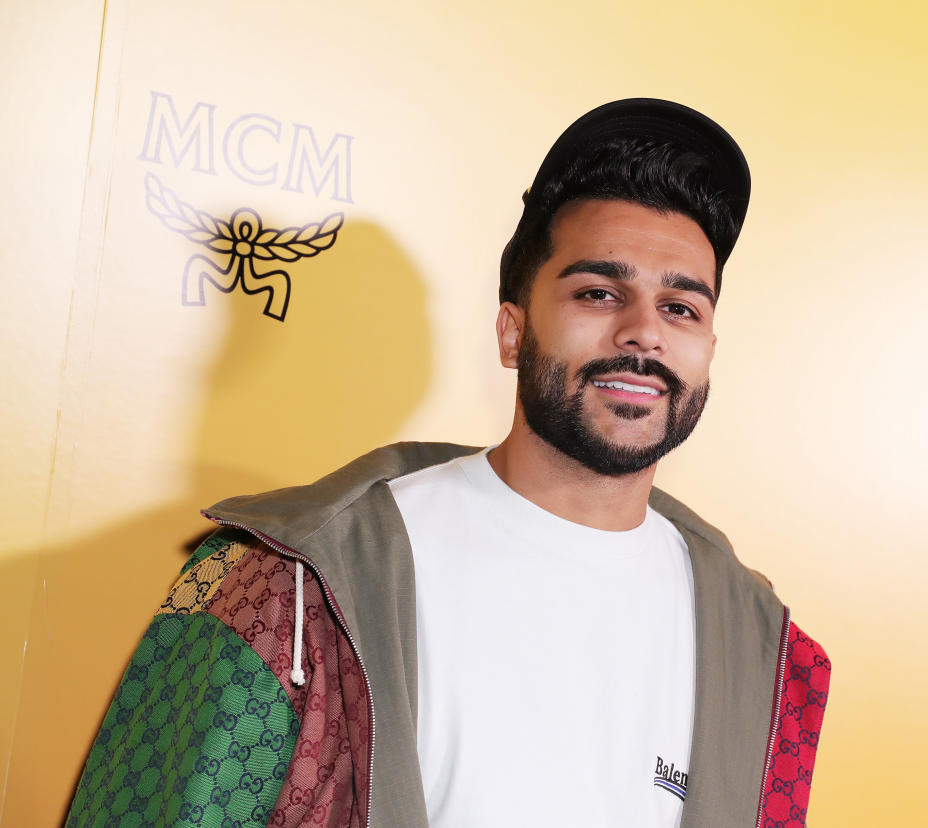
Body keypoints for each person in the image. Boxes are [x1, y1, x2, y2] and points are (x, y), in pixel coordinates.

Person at [66, 98, 831, 828]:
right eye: (599, 292)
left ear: (707, 353)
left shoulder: (758, 641)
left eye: (681, 308)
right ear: (511, 331)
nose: (643, 334)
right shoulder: (293, 583)